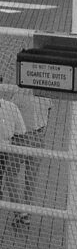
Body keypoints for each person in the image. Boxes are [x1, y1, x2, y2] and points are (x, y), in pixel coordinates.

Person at [3, 82, 52, 228]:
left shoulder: (20, 94)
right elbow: (50, 109)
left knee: (11, 174)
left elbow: (11, 112)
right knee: (31, 178)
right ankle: (28, 211)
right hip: (39, 136)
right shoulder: (46, 91)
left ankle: (19, 211)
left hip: (21, 137)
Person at [0, 87, 27, 228]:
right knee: (11, 180)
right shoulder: (11, 107)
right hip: (7, 149)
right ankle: (19, 213)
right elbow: (20, 132)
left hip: (5, 149)